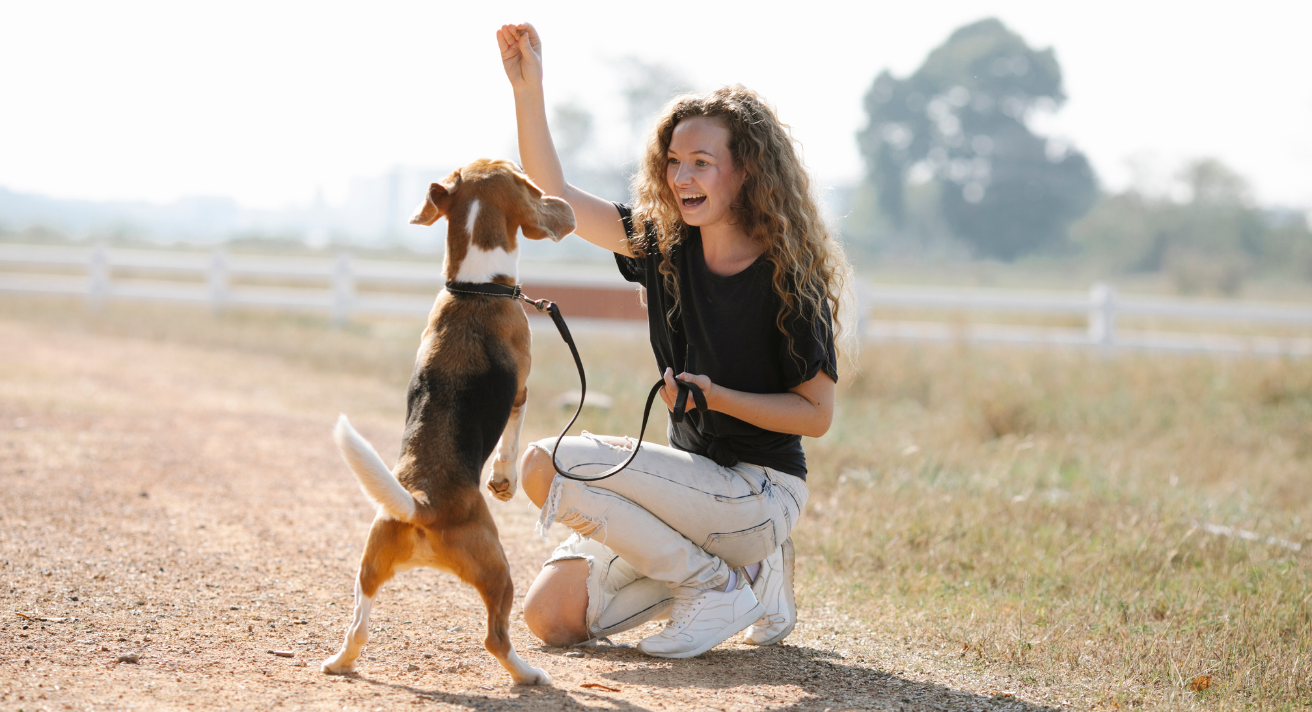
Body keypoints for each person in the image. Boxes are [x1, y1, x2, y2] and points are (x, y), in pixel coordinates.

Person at [496, 22, 851, 659]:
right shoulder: (663, 246)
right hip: (690, 490)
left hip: (759, 492)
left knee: (544, 463)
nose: (682, 176)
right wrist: (529, 91)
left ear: (746, 173)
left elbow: (817, 416)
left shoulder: (789, 279)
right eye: (674, 162)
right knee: (550, 618)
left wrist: (718, 396)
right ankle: (749, 580)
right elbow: (557, 198)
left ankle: (717, 581)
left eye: (702, 163)